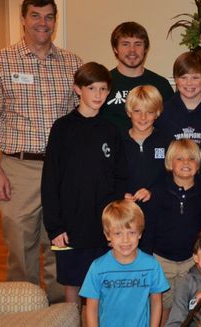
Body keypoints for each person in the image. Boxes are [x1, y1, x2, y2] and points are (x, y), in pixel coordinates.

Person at [0, 0, 82, 302]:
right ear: (23, 20)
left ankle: (57, 310)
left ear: (55, 20)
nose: (43, 22)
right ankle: (21, 309)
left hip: (62, 169)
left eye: (49, 16)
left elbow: (82, 117)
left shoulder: (72, 62)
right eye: (35, 15)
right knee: (20, 244)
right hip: (18, 167)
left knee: (59, 243)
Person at [41, 62, 127, 306]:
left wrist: (116, 222)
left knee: (102, 283)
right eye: (91, 88)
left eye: (103, 89)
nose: (98, 95)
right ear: (78, 89)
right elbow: (50, 180)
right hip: (70, 224)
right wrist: (55, 227)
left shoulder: (112, 130)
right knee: (73, 284)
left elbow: (120, 178)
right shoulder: (62, 128)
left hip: (103, 224)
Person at [140, 139, 201, 324]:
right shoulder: (158, 191)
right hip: (162, 261)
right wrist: (147, 258)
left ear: (198, 164)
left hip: (190, 261)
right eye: (179, 158)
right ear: (170, 163)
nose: (186, 163)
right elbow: (149, 227)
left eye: (191, 159)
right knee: (162, 306)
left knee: (188, 307)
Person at [80, 200, 169, 327]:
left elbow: (156, 302)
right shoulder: (97, 268)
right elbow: (92, 307)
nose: (125, 240)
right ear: (107, 235)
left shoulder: (152, 265)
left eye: (131, 232)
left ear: (140, 233)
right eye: (118, 233)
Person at [101, 21, 174, 131]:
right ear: (115, 48)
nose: (132, 50)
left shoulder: (161, 85)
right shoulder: (103, 83)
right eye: (125, 44)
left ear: (145, 49)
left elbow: (170, 124)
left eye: (138, 44)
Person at [155, 51, 201, 146]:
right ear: (175, 79)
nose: (189, 83)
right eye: (183, 77)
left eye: (195, 78)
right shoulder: (162, 111)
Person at [122, 85, 172, 203]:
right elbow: (109, 177)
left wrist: (153, 192)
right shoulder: (118, 141)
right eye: (137, 111)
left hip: (159, 211)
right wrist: (121, 193)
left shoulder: (167, 142)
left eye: (149, 112)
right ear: (129, 112)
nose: (143, 117)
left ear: (157, 113)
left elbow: (173, 177)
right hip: (126, 212)